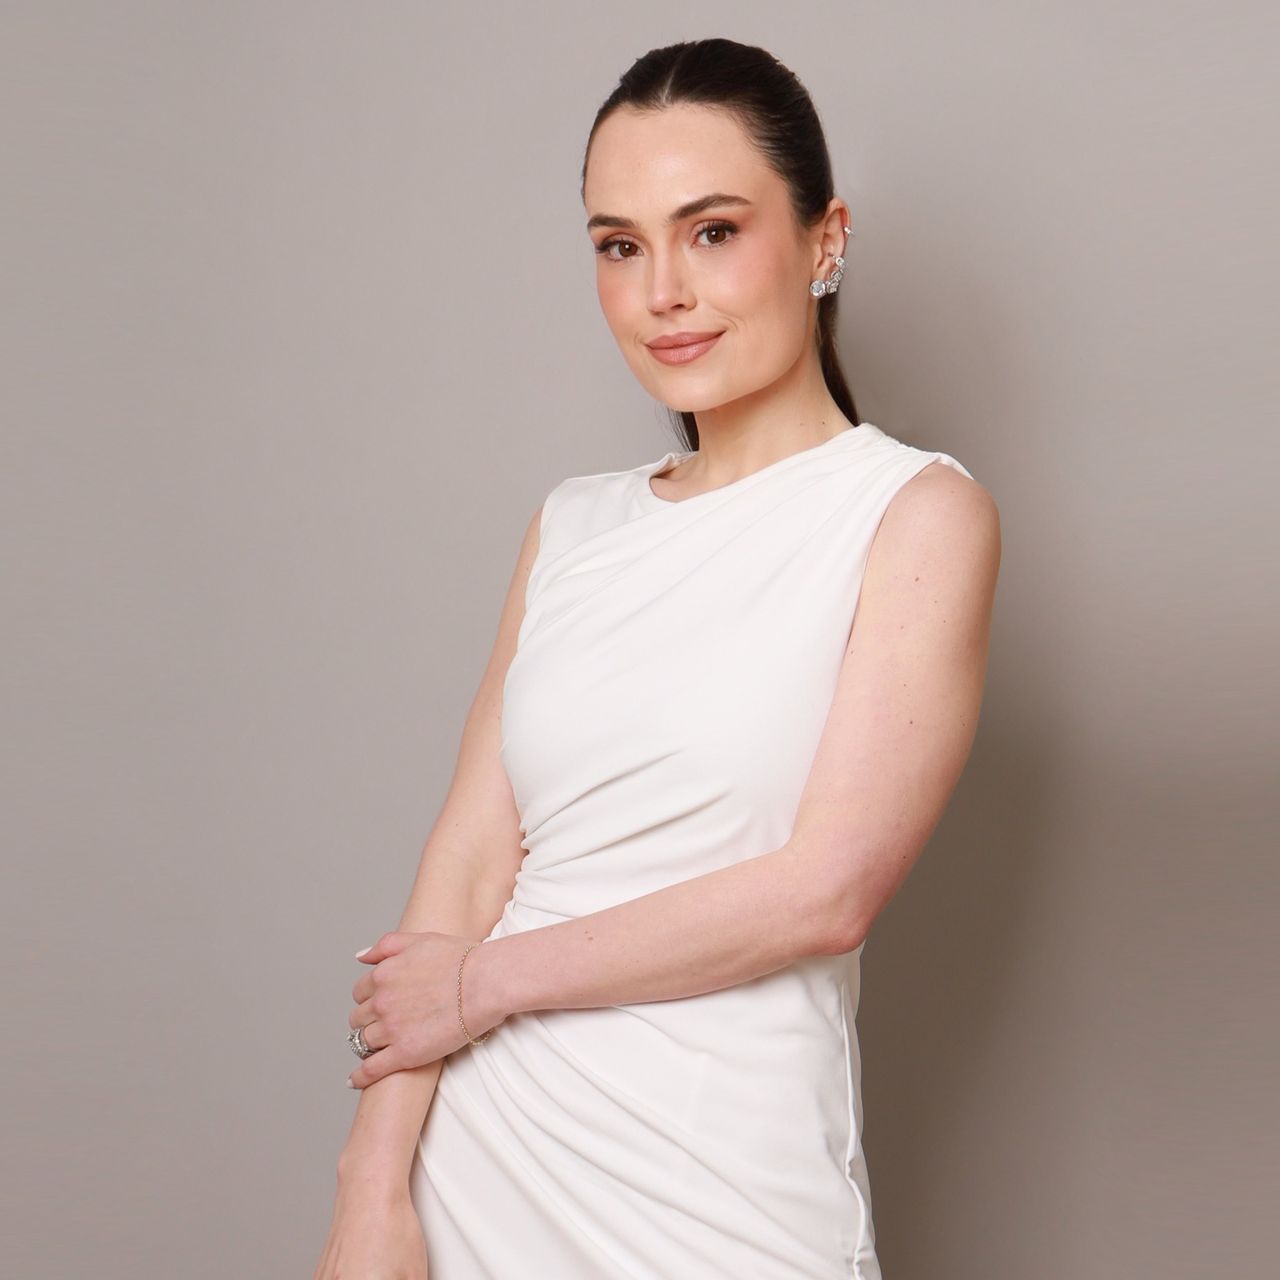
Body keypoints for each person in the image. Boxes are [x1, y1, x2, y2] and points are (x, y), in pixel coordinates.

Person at [313, 36, 1000, 1280]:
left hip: (718, 1193)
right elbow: (467, 862)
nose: (662, 291)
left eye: (712, 231)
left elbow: (823, 889)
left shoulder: (911, 514)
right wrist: (369, 1192)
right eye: (619, 245)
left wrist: (481, 985)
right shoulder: (572, 524)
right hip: (474, 1167)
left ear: (824, 239)